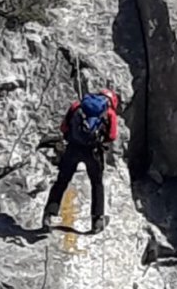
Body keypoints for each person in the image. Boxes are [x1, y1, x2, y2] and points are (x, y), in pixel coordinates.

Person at [41, 88, 119, 234]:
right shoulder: (109, 113)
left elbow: (63, 127)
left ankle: (49, 215)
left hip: (72, 149)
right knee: (96, 184)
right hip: (93, 152)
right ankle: (97, 221)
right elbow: (112, 135)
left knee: (61, 182)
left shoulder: (78, 105)